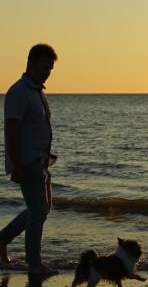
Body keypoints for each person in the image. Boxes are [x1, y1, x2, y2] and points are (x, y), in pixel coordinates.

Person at [0, 44, 58, 275]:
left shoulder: (37, 92)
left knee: (42, 209)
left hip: (42, 160)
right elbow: (12, 129)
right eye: (44, 67)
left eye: (51, 69)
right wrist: (17, 164)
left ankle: (2, 239)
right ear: (31, 63)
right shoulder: (19, 92)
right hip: (27, 161)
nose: (47, 73)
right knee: (38, 210)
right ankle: (34, 263)